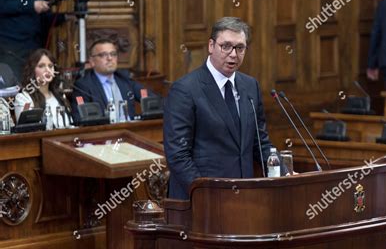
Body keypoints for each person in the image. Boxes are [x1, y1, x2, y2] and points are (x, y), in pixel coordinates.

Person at [164, 17, 287, 200]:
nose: (233, 54)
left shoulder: (250, 86)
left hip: (244, 196)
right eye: (226, 46)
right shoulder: (186, 89)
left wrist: (284, 174)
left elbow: (260, 144)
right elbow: (178, 155)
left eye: (240, 48)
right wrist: (203, 192)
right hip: (202, 201)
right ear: (211, 46)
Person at [71, 38, 156, 122]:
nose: (110, 58)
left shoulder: (125, 79)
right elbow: (80, 119)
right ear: (92, 61)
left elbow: (152, 100)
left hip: (131, 130)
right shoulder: (83, 86)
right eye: (103, 55)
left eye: (113, 54)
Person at [14, 49, 72, 128]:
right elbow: (26, 130)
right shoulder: (23, 98)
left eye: (50, 66)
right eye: (41, 66)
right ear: (32, 70)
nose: (47, 70)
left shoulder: (60, 95)